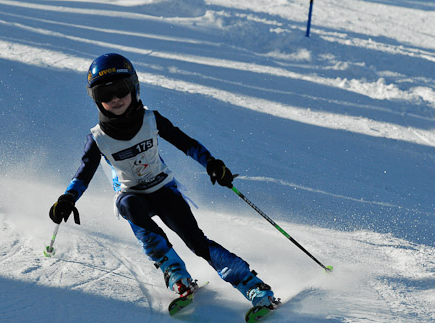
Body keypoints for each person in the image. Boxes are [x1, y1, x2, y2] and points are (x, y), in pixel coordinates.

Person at [49, 53, 275, 308]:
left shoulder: (150, 119)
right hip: (132, 195)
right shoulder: (98, 138)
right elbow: (83, 172)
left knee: (196, 242)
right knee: (130, 209)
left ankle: (253, 285)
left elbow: (185, 143)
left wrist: (212, 164)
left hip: (163, 190)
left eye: (121, 90)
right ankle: (176, 274)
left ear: (134, 87)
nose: (115, 99)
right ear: (96, 100)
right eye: (105, 94)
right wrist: (68, 198)